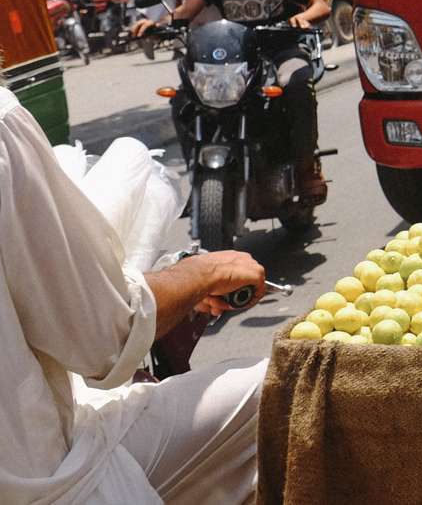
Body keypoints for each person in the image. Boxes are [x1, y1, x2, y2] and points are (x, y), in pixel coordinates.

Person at [0, 84, 269, 505]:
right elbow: (104, 340)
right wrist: (201, 272)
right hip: (49, 479)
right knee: (278, 392)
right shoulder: (1, 121)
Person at [132, 0, 331, 205]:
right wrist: (156, 24)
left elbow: (321, 4)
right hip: (237, 58)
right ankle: (199, 177)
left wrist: (304, 16)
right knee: (185, 99)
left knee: (297, 84)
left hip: (281, 51)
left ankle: (306, 168)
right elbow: (188, 10)